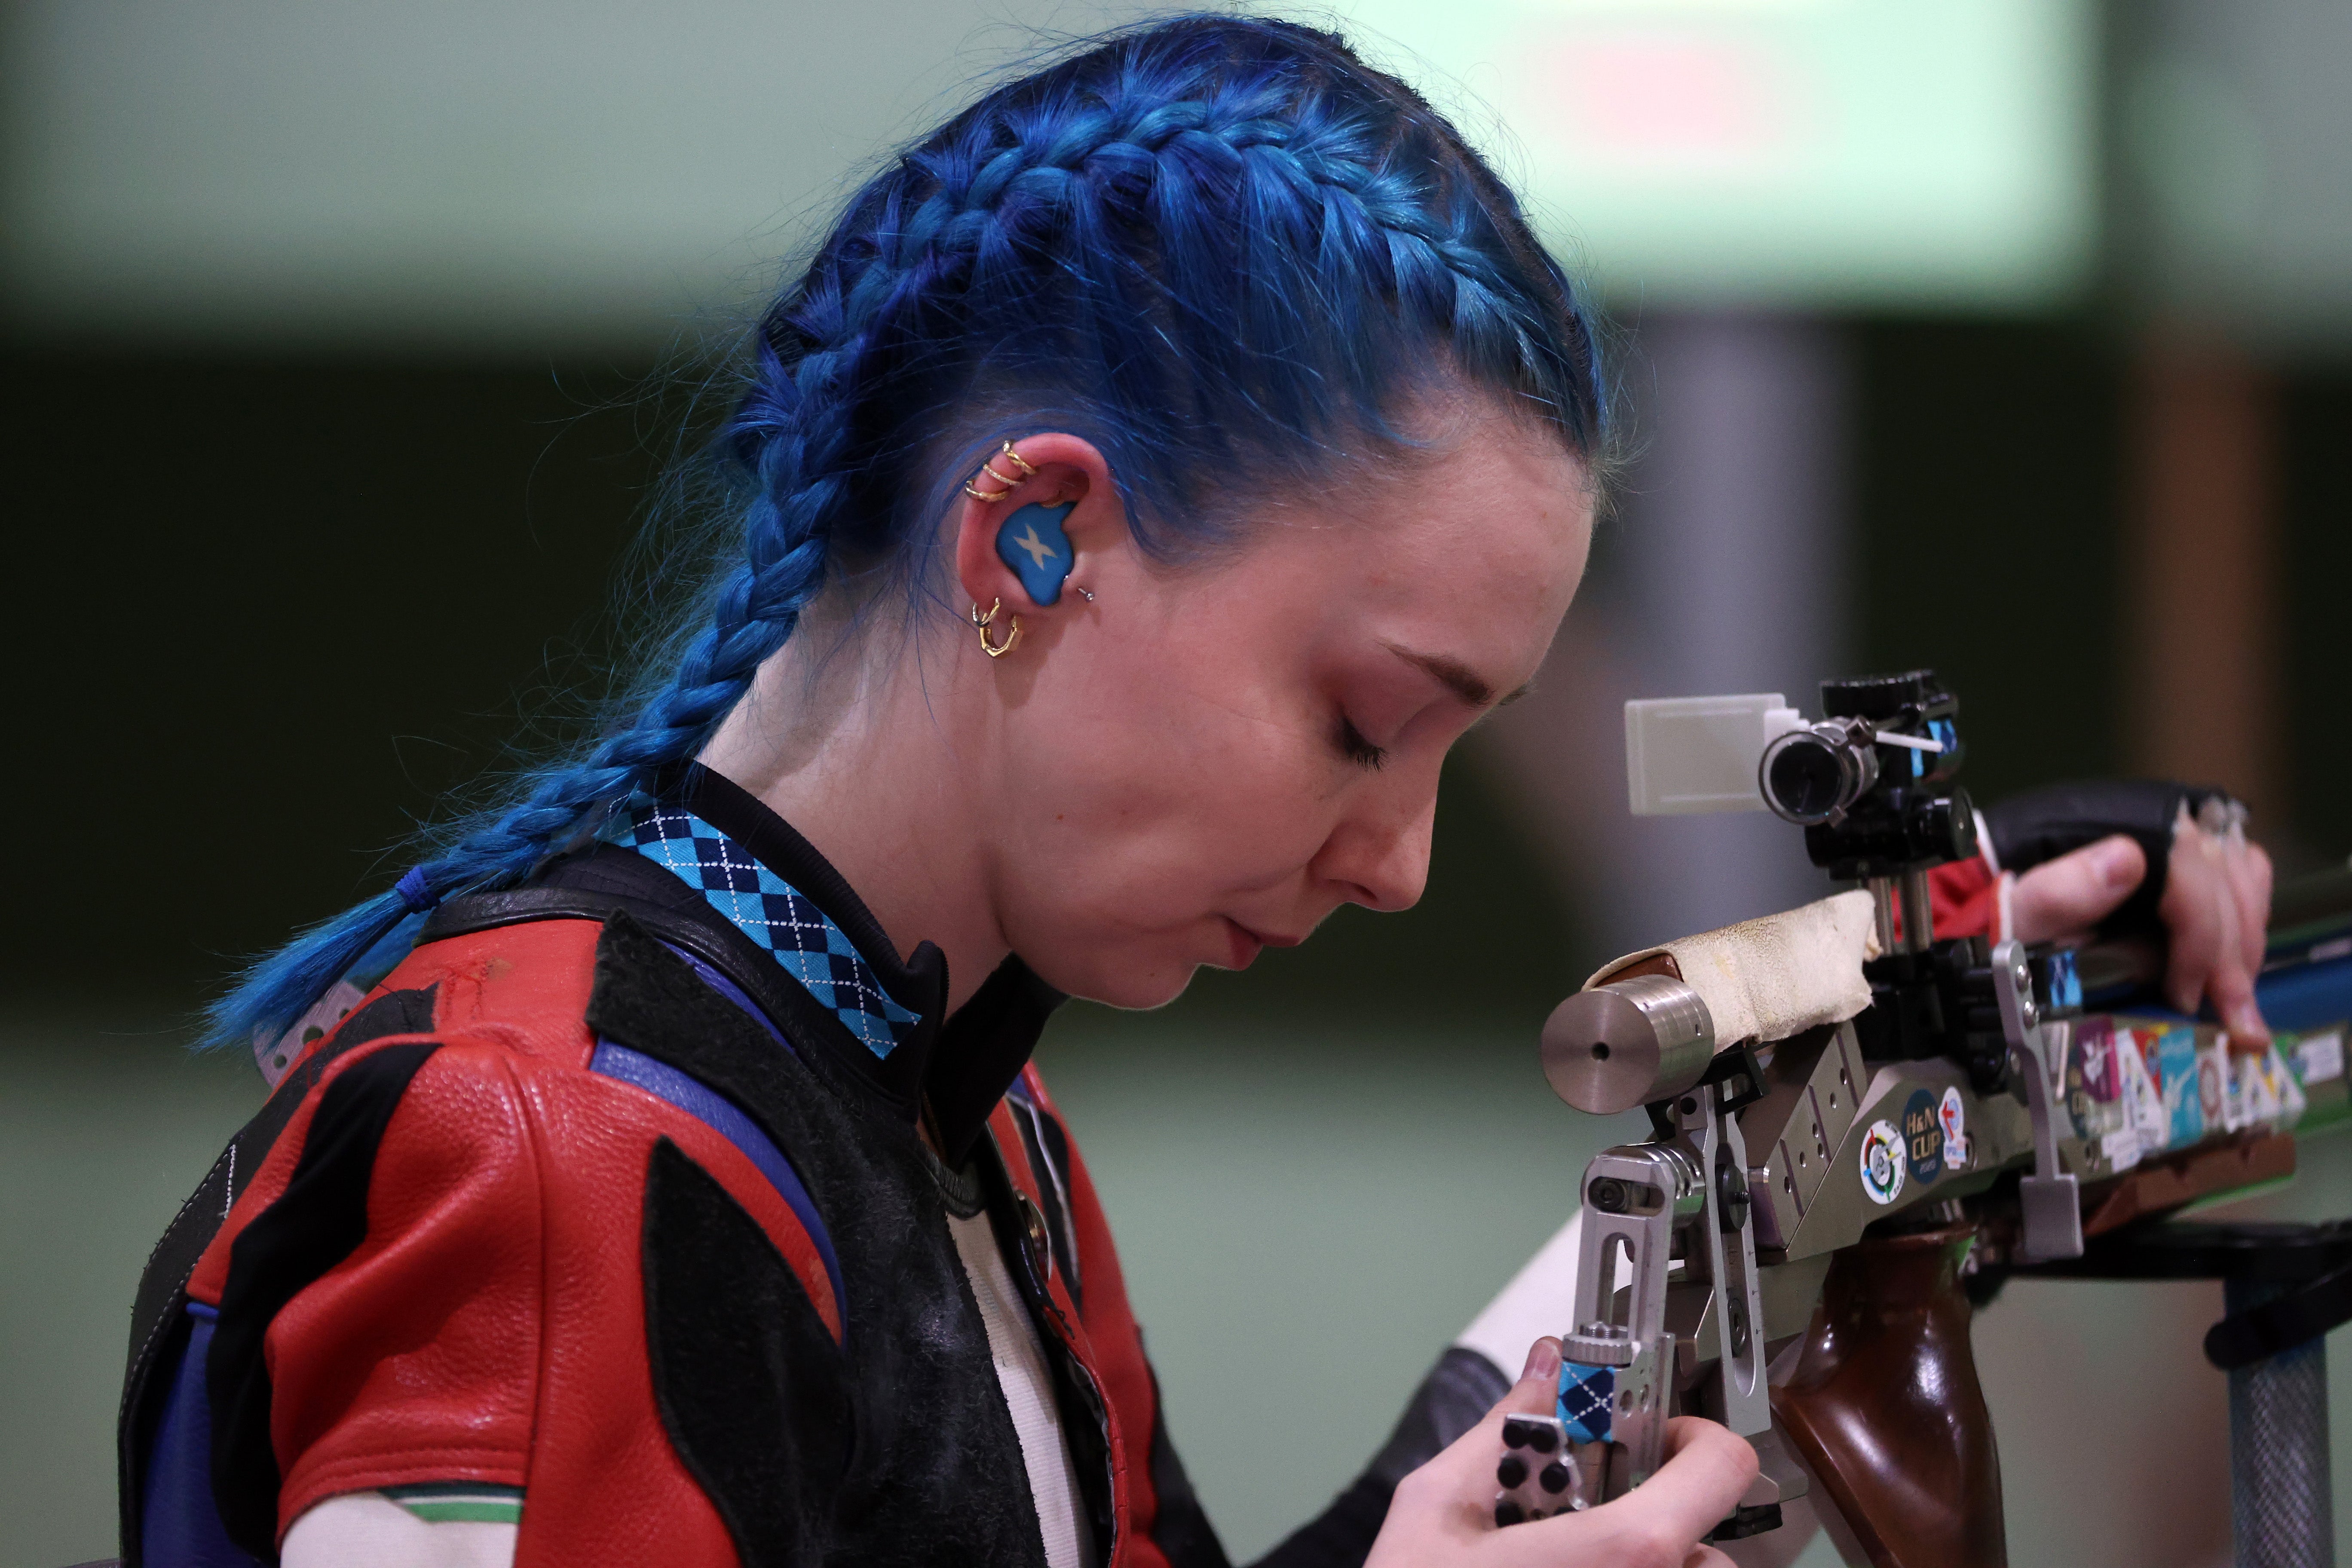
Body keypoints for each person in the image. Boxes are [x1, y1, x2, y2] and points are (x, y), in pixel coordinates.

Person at [112, 15, 2270, 1568]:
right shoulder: (565, 1147)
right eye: (1361, 719)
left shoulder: (965, 1125)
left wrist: (1913, 996)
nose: (1406, 863)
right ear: (1028, 542)